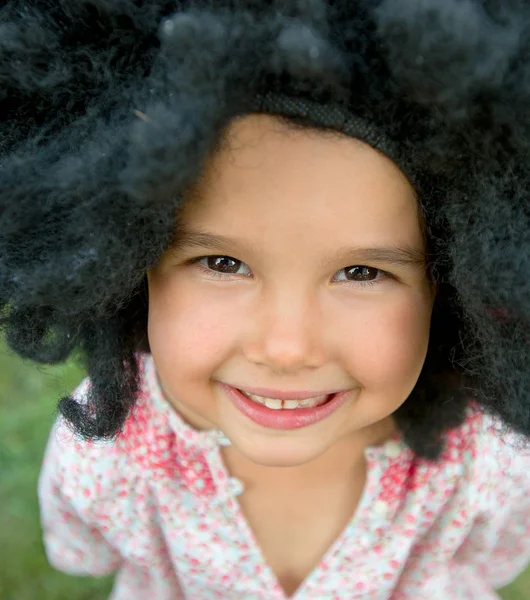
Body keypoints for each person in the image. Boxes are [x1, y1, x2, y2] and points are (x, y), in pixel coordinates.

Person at [1, 1, 529, 598]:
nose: (286, 347)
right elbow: (87, 546)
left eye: (360, 272)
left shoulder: (490, 460)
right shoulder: (112, 447)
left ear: (453, 283)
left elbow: (486, 564)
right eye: (223, 263)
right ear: (127, 264)